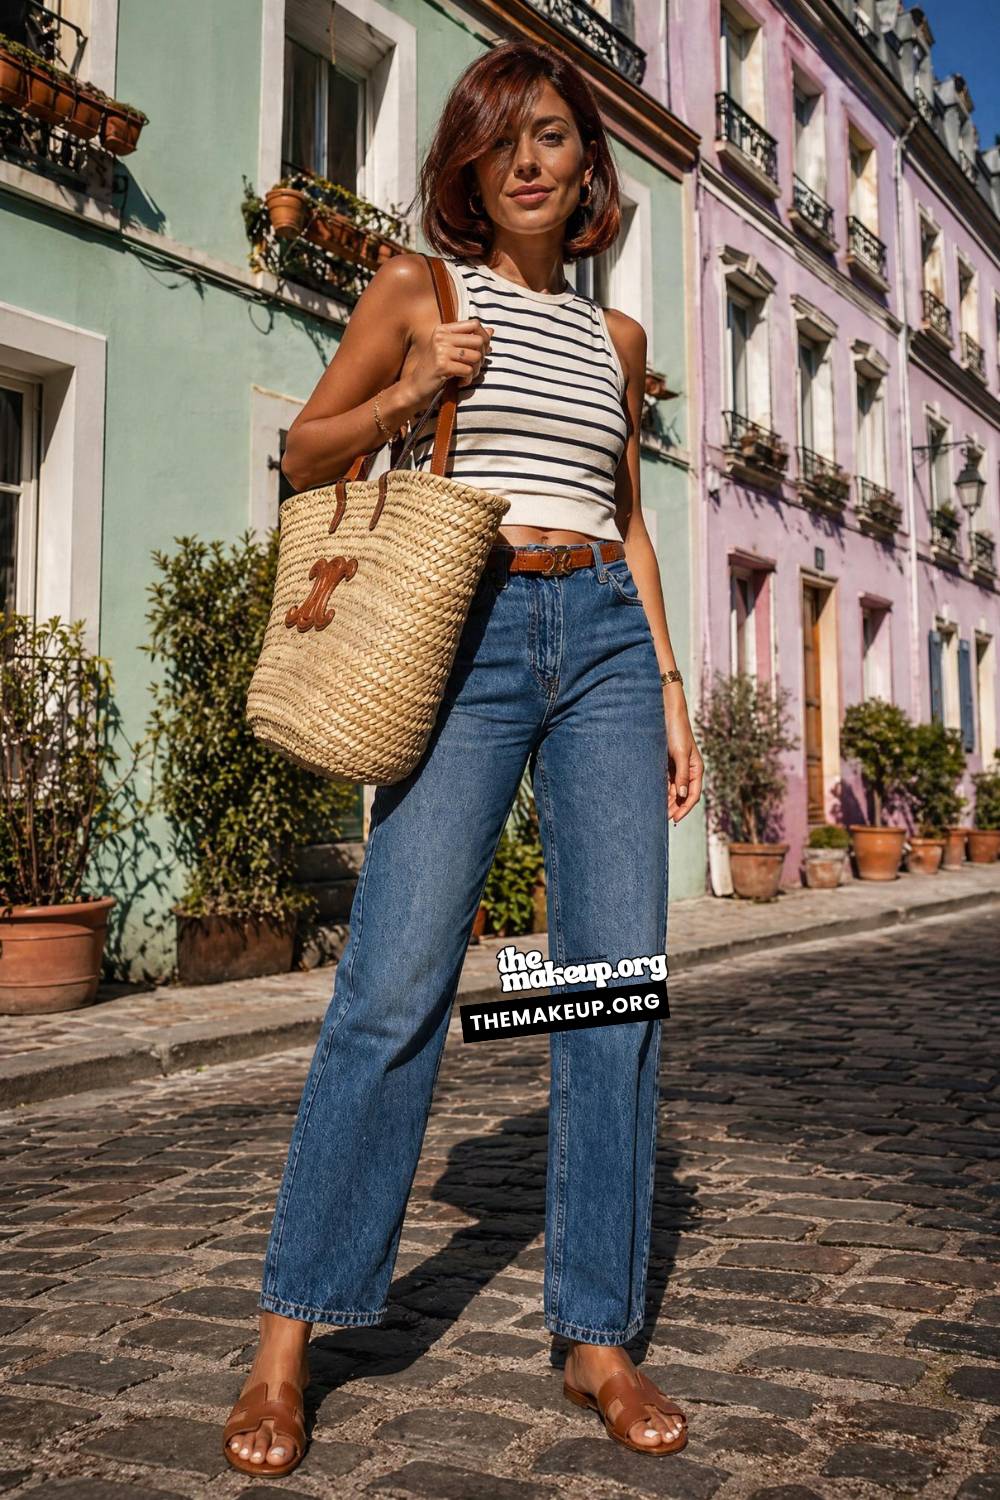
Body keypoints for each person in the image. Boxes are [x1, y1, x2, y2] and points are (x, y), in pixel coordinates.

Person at [223, 37, 704, 1479]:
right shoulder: (420, 293)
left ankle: (600, 1333)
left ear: (586, 165)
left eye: (553, 136)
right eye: (503, 145)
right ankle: (289, 1334)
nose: (534, 161)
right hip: (472, 630)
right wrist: (413, 384)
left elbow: (623, 520)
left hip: (608, 642)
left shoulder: (617, 344)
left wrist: (673, 689)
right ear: (467, 174)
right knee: (397, 980)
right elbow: (306, 456)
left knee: (610, 984)